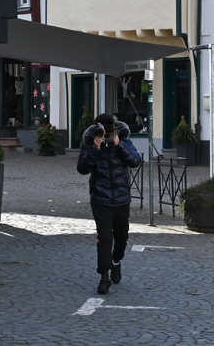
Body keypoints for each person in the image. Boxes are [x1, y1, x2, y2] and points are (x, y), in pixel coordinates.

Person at [77, 113, 141, 295]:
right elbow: (82, 168)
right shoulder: (90, 143)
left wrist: (118, 144)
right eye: (103, 132)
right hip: (101, 199)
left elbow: (135, 161)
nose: (106, 135)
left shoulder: (124, 141)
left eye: (109, 131)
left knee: (121, 237)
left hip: (121, 199)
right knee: (105, 239)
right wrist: (95, 150)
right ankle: (104, 276)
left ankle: (116, 262)